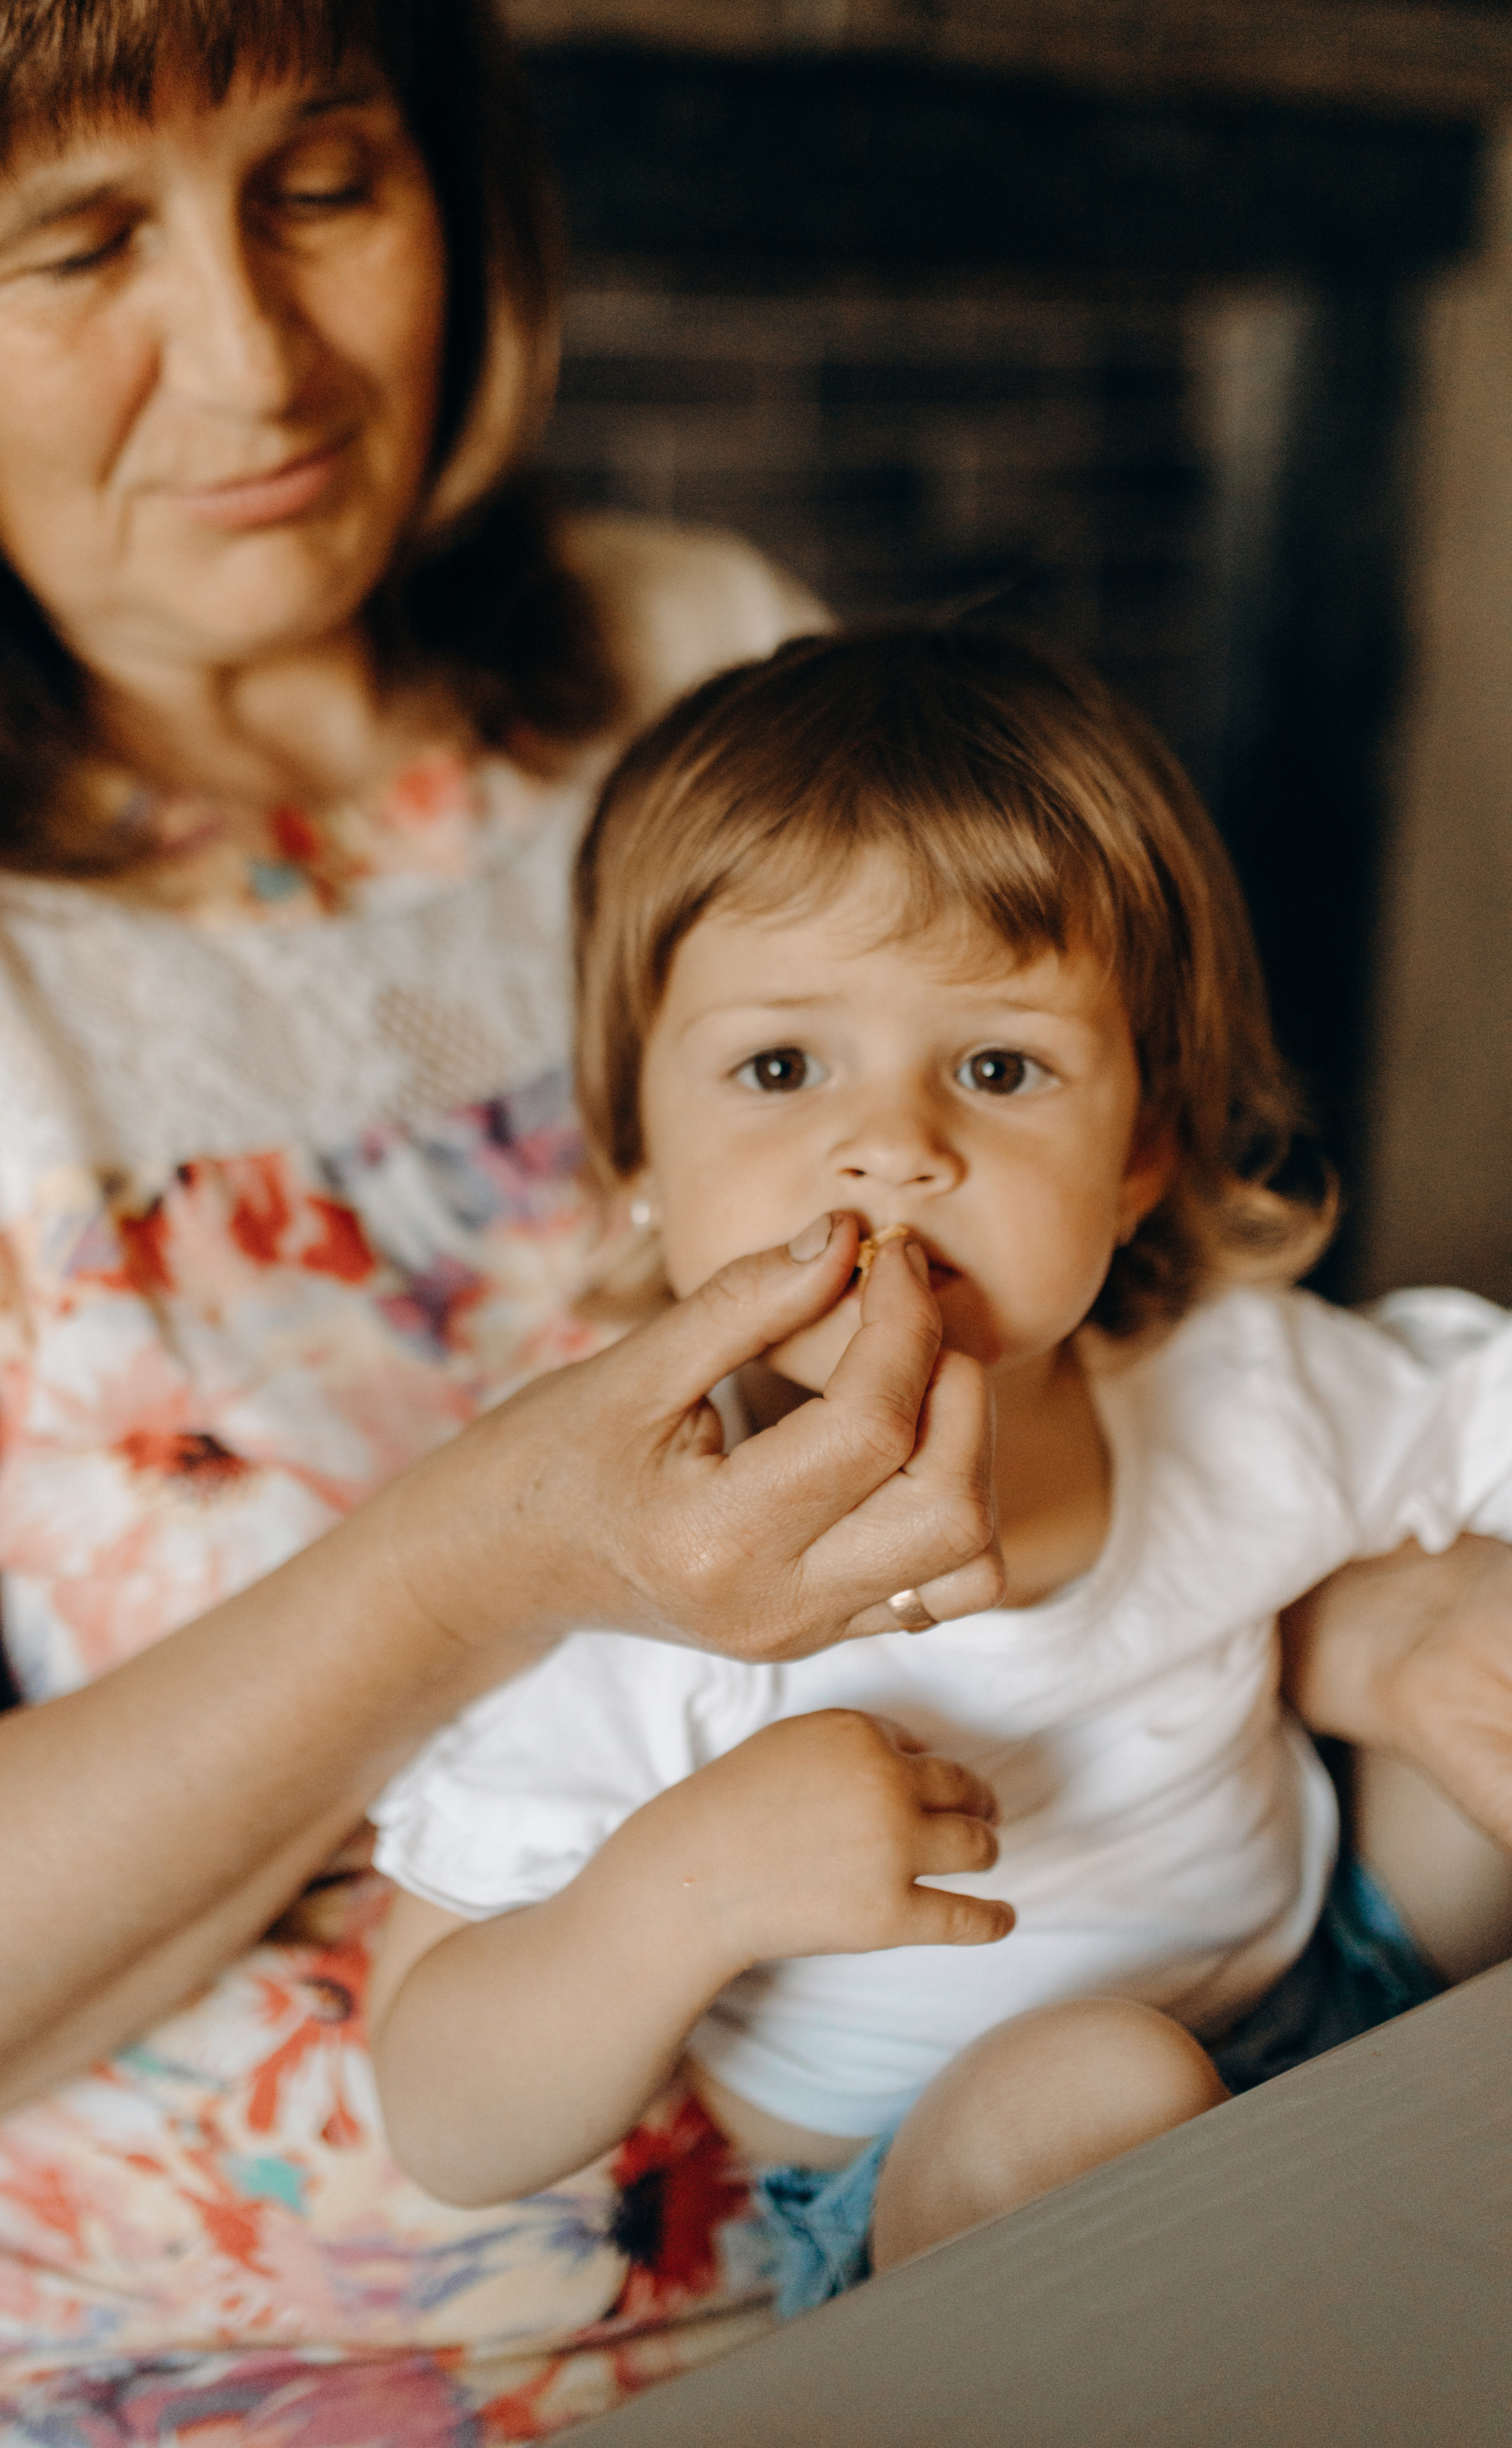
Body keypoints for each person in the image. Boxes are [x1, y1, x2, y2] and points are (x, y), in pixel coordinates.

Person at [0, 0, 1506, 2442]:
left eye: (323, 184)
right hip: (224, 2365)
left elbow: (1119, 1317)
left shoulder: (701, 663)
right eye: (84, 243)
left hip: (1070, 2183)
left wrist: (1326, 1619)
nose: (252, 362)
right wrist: (508, 1556)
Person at [366, 627, 1512, 2315]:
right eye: (779, 1067)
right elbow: (441, 2112)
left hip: (1327, 1977)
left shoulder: (1239, 1391)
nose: (891, 1145)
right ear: (632, 1154)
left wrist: (1414, 1624)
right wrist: (672, 1898)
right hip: (935, 2171)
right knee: (1100, 2088)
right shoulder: (632, 1567)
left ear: (1140, 1151)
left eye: (995, 1068)